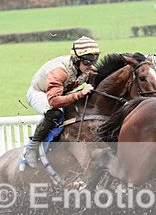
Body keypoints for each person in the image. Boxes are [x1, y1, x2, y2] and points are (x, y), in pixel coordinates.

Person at [23, 36, 100, 168]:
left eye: (94, 61)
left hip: (60, 92)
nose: (91, 66)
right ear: (77, 59)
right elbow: (54, 101)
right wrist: (80, 93)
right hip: (40, 93)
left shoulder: (86, 68)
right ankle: (33, 147)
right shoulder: (59, 71)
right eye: (87, 62)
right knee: (55, 113)